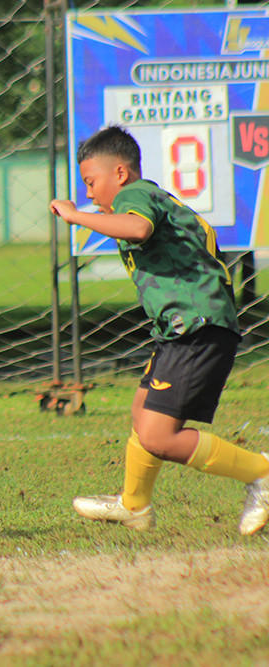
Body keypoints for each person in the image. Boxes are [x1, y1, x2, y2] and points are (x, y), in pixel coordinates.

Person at [49, 125, 269, 535]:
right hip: (183, 328)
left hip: (195, 328)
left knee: (158, 436)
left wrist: (75, 216)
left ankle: (261, 473)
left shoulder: (135, 197)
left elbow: (138, 229)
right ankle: (134, 506)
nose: (90, 193)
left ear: (120, 173)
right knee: (141, 411)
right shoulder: (149, 196)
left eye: (91, 182)